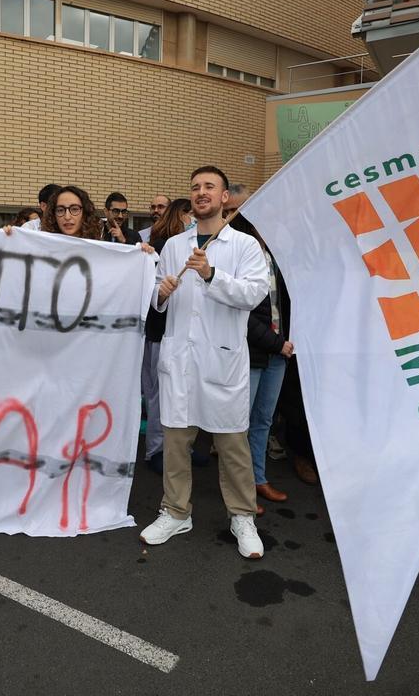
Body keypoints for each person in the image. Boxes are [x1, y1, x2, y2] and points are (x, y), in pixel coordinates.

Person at [139, 166, 269, 559]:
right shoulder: (175, 246)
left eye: (209, 187)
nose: (201, 193)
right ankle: (176, 511)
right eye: (195, 187)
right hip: (180, 360)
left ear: (224, 196)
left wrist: (212, 275)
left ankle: (242, 516)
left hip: (221, 360)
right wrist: (159, 293)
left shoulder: (244, 245)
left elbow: (254, 293)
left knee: (232, 445)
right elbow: (156, 298)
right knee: (176, 443)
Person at [234, 214, 295, 510]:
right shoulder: (242, 257)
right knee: (239, 426)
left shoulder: (279, 259)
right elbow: (241, 315)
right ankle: (240, 491)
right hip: (255, 352)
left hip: (279, 354)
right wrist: (278, 343)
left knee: (263, 422)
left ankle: (258, 479)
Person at [142, 199, 192, 473]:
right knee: (160, 396)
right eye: (190, 216)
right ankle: (155, 450)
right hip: (159, 332)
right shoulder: (163, 247)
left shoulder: (187, 247)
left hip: (175, 333)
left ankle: (179, 449)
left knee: (179, 395)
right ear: (182, 216)